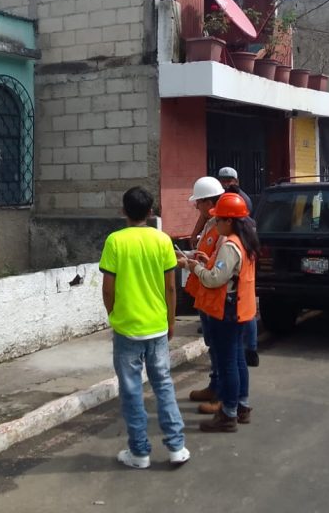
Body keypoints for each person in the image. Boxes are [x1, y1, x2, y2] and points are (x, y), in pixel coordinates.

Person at [99, 186, 189, 469]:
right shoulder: (162, 241)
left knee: (131, 389)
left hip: (127, 329)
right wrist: (171, 320)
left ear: (123, 211)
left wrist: (114, 313)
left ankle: (139, 453)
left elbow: (107, 289)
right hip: (157, 326)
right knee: (163, 384)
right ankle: (176, 447)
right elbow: (171, 287)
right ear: (151, 212)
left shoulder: (115, 241)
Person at [181, 192, 258, 432]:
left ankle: (228, 414)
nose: (215, 223)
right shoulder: (245, 241)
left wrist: (195, 268)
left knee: (227, 363)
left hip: (226, 311)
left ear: (229, 221)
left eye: (219, 219)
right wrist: (206, 261)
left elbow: (215, 279)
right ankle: (241, 406)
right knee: (236, 360)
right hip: (240, 309)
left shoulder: (230, 245)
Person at [176, 176, 224, 414]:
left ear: (208, 201)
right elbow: (206, 253)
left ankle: (222, 396)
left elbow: (217, 266)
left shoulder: (223, 228)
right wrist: (192, 255)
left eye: (198, 202)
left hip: (215, 294)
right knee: (211, 344)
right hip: (204, 293)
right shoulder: (210, 224)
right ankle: (215, 386)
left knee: (220, 348)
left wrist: (189, 264)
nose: (196, 207)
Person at [217, 167, 260, 367]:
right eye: (223, 180)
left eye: (229, 180)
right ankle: (249, 351)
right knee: (247, 311)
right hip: (245, 271)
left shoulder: (233, 240)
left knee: (232, 354)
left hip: (236, 281)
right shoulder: (244, 231)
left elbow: (216, 277)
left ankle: (250, 349)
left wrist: (197, 269)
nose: (226, 183)